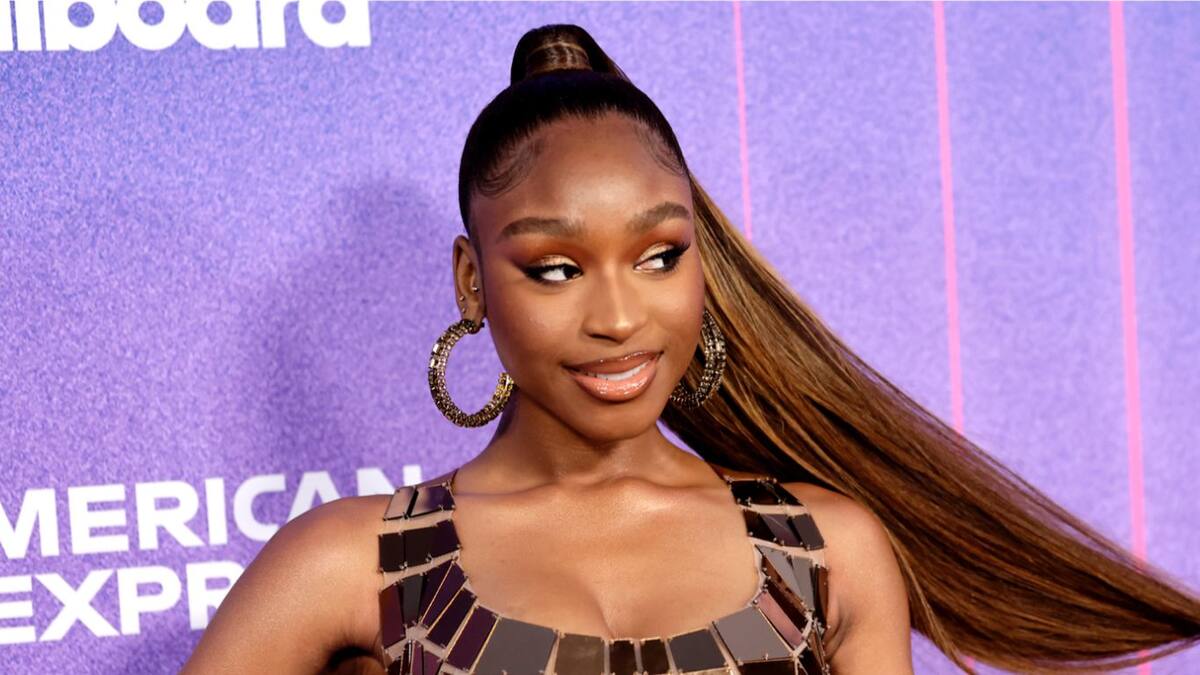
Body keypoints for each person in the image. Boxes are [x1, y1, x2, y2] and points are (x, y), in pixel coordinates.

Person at [182, 23, 1200, 675]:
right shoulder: (350, 565)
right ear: (471, 281)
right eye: (555, 268)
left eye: (659, 256)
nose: (619, 316)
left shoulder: (827, 554)